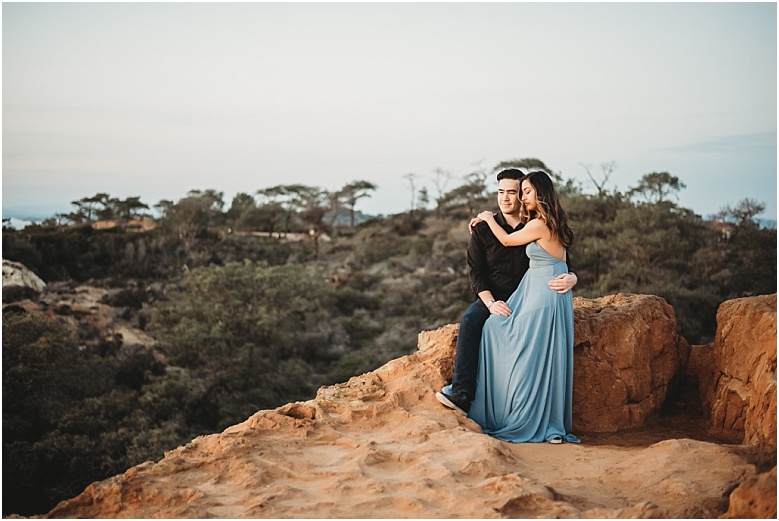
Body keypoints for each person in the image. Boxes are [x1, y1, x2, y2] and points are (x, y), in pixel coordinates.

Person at [435, 169, 577, 415]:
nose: (506, 198)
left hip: (528, 298)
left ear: (522, 196)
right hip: (495, 296)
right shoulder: (482, 230)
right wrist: (491, 304)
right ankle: (463, 394)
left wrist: (573, 277)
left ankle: (513, 405)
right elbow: (475, 274)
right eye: (501, 192)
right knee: (470, 321)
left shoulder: (532, 224)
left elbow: (559, 257)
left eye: (513, 192)